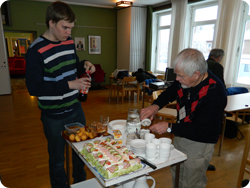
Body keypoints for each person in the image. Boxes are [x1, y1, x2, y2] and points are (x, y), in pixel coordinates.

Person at [25, 1, 96, 188]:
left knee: (81, 153)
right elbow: (34, 88)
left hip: (75, 108)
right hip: (53, 116)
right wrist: (70, 84)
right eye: (65, 27)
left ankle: (79, 184)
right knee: (57, 160)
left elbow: (74, 65)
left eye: (71, 28)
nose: (69, 32)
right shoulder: (35, 51)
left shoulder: (69, 42)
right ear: (51, 22)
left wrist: (85, 64)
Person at [140, 48, 227, 188]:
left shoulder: (215, 93)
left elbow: (202, 129)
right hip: (182, 131)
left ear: (196, 74)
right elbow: (171, 92)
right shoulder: (186, 78)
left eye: (180, 76)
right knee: (177, 172)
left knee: (191, 181)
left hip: (200, 142)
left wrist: (169, 127)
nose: (177, 79)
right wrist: (155, 106)